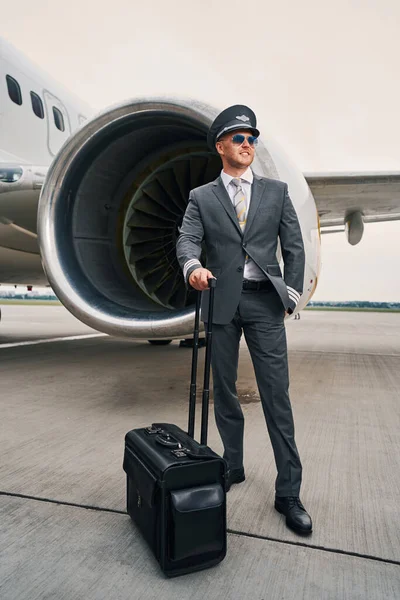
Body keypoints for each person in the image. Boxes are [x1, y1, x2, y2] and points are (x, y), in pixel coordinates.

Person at [176, 105, 312, 534]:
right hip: (220, 302)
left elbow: (294, 246)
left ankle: (288, 492)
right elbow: (187, 240)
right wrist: (193, 267)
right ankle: (232, 466)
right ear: (221, 146)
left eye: (252, 138)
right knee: (226, 394)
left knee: (277, 397)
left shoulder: (276, 191)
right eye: (239, 138)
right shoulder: (202, 197)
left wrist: (290, 295)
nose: (248, 143)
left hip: (265, 305)